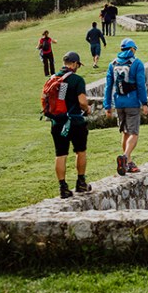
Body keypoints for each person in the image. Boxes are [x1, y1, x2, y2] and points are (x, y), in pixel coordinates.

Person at [48, 51, 92, 198]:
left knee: (60, 154)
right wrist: (87, 109)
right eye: (78, 64)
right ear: (74, 64)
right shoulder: (77, 80)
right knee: (80, 151)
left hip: (57, 122)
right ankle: (80, 182)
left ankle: (63, 187)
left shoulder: (53, 78)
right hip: (74, 122)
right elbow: (82, 102)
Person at [103, 37, 148, 176]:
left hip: (118, 103)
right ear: (132, 49)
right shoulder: (137, 63)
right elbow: (141, 85)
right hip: (132, 102)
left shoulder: (112, 64)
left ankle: (128, 162)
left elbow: (108, 86)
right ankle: (125, 157)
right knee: (134, 133)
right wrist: (144, 103)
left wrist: (107, 106)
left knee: (125, 132)